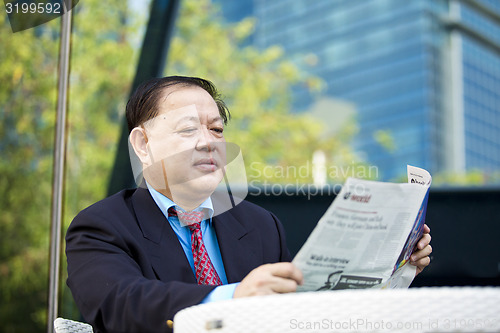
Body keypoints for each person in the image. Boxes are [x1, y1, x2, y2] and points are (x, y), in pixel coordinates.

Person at [65, 76, 432, 333]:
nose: (209, 142)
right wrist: (232, 297)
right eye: (189, 129)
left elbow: (305, 316)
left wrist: (394, 275)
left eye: (217, 129)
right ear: (142, 145)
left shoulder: (259, 225)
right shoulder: (101, 226)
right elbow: (120, 305)